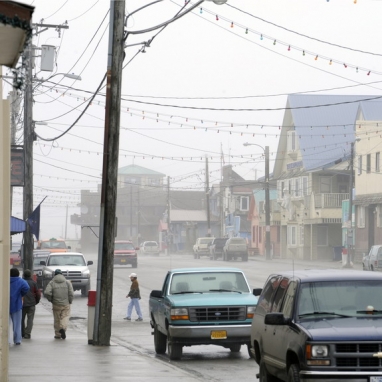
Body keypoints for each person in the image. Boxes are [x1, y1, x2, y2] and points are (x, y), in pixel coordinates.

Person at [44, 269, 74, 339]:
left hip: (56, 304)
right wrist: (70, 301)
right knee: (65, 317)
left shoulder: (51, 283)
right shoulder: (67, 283)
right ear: (62, 274)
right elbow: (71, 293)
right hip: (66, 304)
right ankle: (62, 328)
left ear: (55, 275)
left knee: (57, 319)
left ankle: (58, 334)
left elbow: (47, 292)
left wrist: (51, 299)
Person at [9, 268, 30, 345]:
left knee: (6, 324)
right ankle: (17, 340)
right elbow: (26, 288)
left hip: (5, 305)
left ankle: (6, 339)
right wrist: (21, 294)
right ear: (18, 274)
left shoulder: (4, 280)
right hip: (17, 305)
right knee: (17, 324)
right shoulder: (21, 281)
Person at [22, 269, 41, 339]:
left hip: (22, 304)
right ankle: (27, 333)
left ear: (23, 275)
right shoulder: (34, 283)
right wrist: (36, 301)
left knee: (21, 319)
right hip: (31, 303)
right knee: (30, 319)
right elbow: (38, 293)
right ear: (30, 275)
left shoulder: (21, 282)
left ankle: (22, 333)